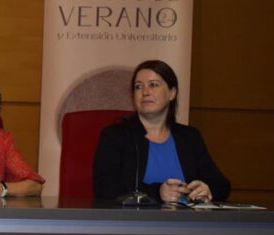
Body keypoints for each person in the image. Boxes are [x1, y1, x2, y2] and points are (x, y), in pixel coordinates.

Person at [93, 59, 229, 202]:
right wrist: (158, 192)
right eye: (138, 86)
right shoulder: (116, 136)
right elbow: (106, 188)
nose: (145, 92)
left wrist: (207, 189)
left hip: (187, 221)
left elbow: (222, 185)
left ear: (172, 93)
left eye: (153, 85)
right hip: (136, 221)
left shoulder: (189, 137)